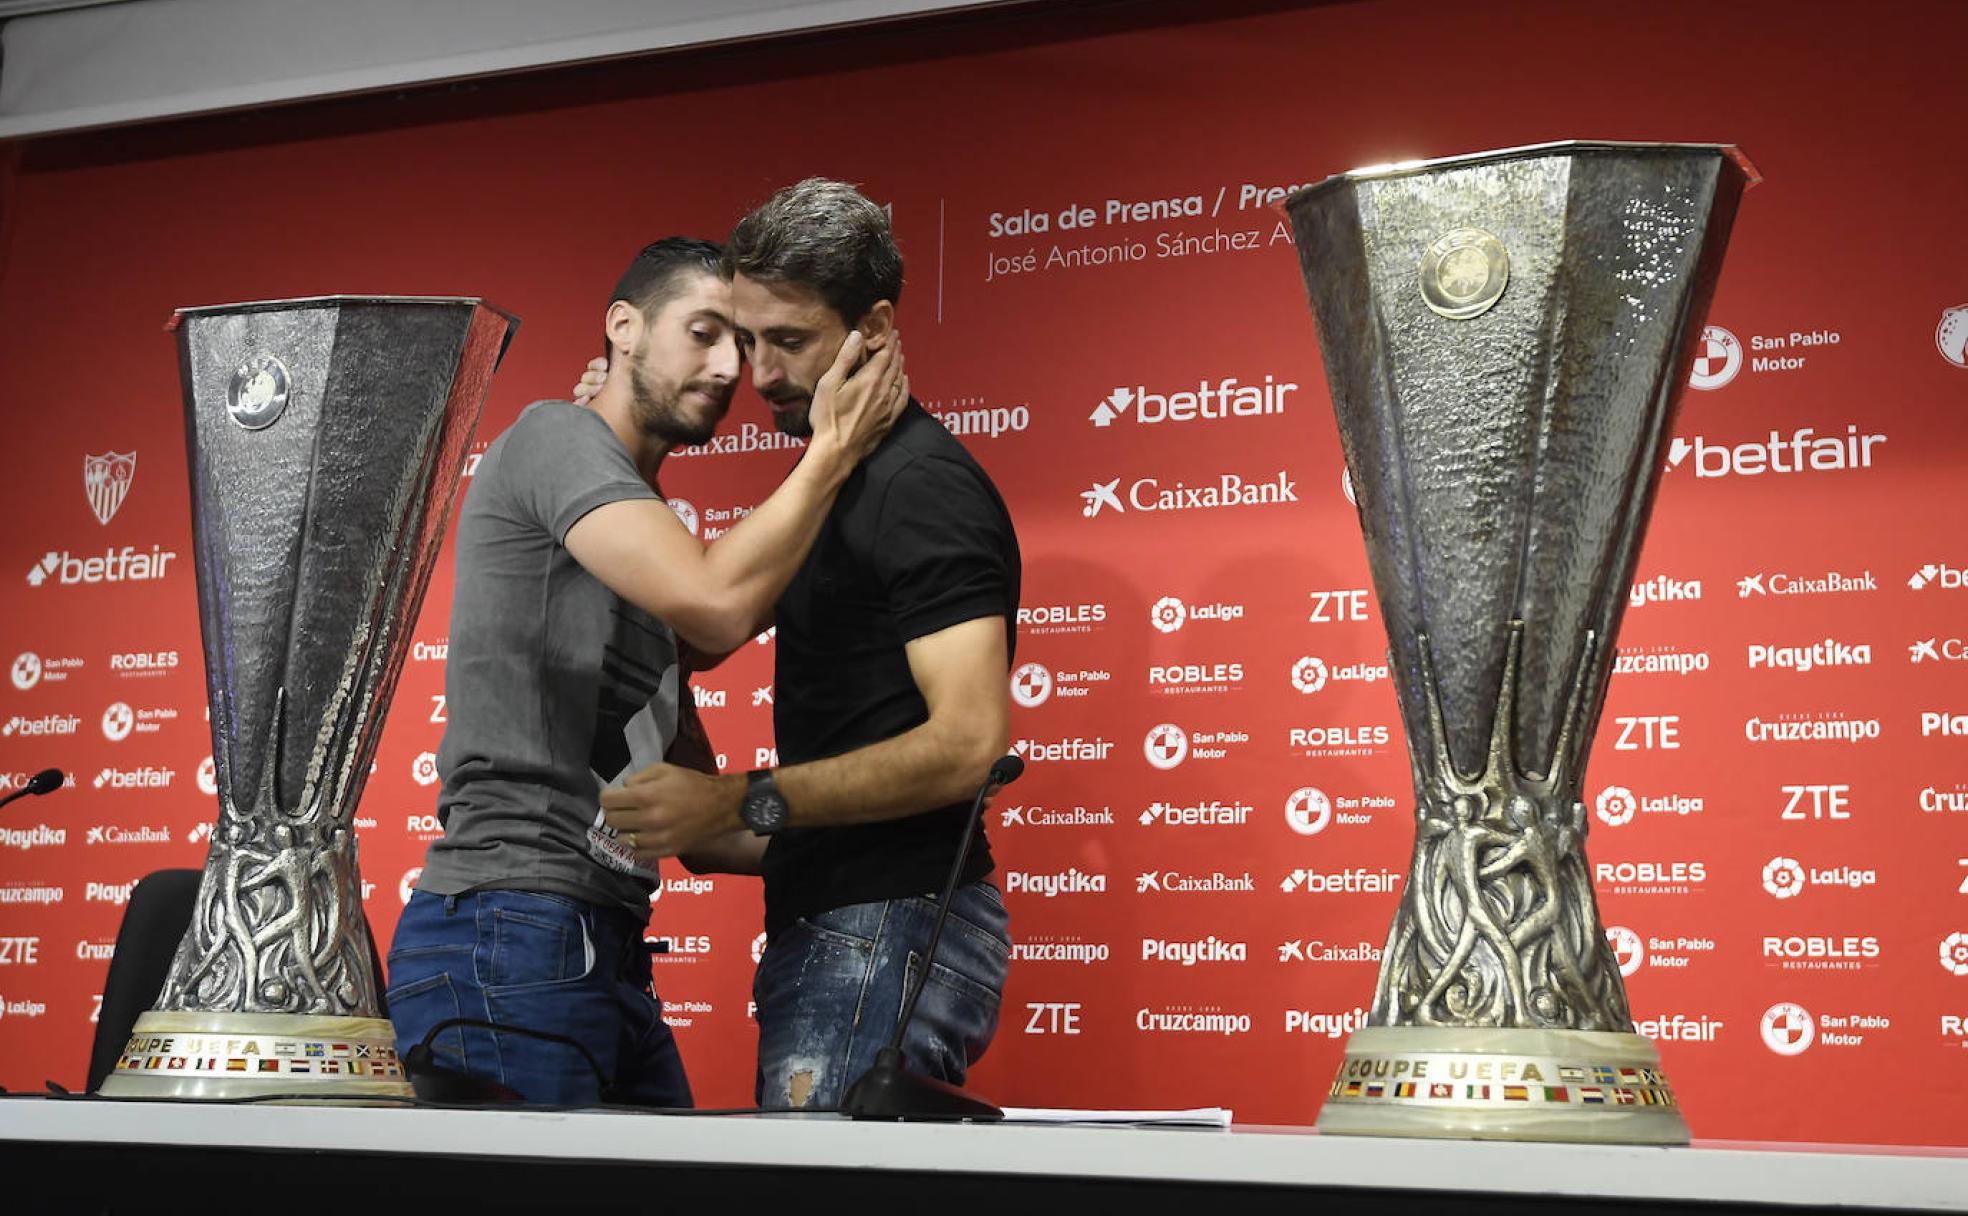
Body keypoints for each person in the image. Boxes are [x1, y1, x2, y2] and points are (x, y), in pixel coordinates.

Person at [386, 236, 907, 1105]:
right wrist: (833, 451)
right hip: (509, 927)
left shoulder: (637, 546)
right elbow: (716, 602)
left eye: (741, 343)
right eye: (703, 331)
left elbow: (704, 827)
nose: (728, 364)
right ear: (623, 328)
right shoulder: (557, 435)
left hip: (602, 945)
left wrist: (901, 832)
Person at [591, 180, 1021, 1110]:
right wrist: (617, 453)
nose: (761, 374)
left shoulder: (920, 488)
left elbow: (969, 744)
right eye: (747, 341)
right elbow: (695, 627)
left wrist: (734, 801)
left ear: (872, 327)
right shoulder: (833, 482)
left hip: (887, 922)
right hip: (843, 922)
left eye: (789, 342)